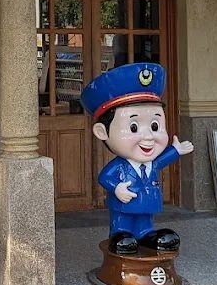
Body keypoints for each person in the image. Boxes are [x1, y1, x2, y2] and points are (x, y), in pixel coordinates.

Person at [81, 62, 193, 256]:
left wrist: (175, 150)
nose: (148, 136)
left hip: (146, 204)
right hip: (124, 206)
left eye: (155, 126)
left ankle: (146, 234)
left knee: (144, 222)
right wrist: (116, 187)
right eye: (134, 127)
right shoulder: (120, 166)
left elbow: (162, 160)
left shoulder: (151, 163)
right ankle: (119, 235)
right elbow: (104, 177)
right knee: (122, 224)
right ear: (102, 132)